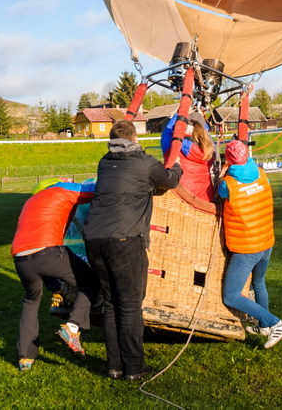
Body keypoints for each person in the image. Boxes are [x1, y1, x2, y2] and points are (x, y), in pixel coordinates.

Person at [84, 119, 182, 381]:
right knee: (129, 306)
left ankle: (114, 366)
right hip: (125, 240)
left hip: (94, 238)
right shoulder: (144, 162)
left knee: (111, 304)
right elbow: (170, 180)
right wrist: (178, 166)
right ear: (135, 138)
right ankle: (134, 368)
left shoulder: (105, 162)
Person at [11, 180, 98, 371]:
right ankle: (73, 327)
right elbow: (99, 188)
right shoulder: (62, 189)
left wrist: (55, 288)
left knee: (31, 301)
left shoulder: (30, 202)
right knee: (90, 280)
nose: (69, 180)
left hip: (20, 258)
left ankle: (25, 357)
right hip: (47, 252)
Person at [217, 139, 282, 349]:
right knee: (258, 283)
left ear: (228, 161)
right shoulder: (261, 173)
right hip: (266, 240)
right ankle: (263, 326)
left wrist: (224, 171)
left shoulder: (228, 184)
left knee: (231, 295)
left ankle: (275, 323)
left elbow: (219, 192)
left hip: (246, 246)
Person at [160, 112, 214, 202]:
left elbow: (168, 130)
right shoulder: (209, 149)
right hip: (204, 200)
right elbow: (206, 135)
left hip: (178, 198)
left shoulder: (172, 145)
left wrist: (180, 113)